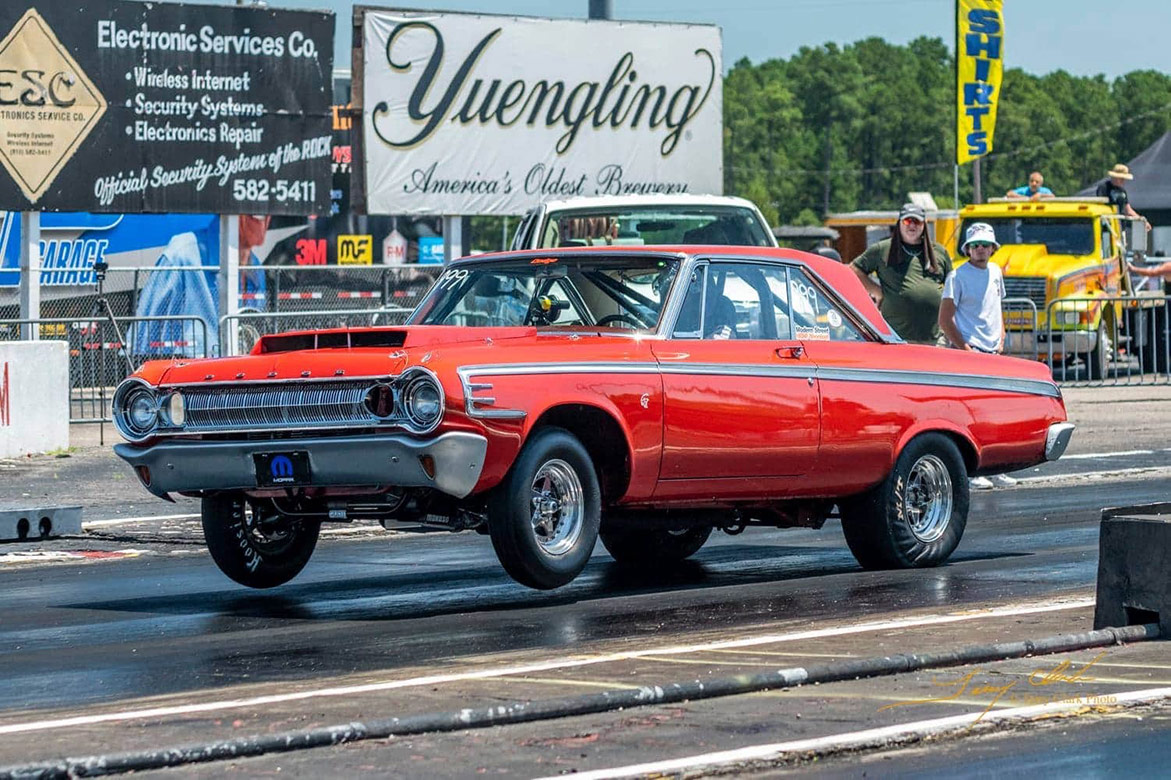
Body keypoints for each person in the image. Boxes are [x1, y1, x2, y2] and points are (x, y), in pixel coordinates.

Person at [939, 222, 1016, 489]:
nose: (980, 249)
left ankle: (997, 466)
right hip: (970, 352)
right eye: (975, 245)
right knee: (972, 415)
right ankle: (974, 471)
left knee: (996, 414)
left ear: (993, 248)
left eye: (985, 245)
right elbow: (945, 320)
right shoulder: (957, 277)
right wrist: (965, 348)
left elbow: (997, 307)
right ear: (967, 249)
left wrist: (1002, 337)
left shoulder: (995, 272)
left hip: (993, 352)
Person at [850, 203, 952, 344]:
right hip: (896, 339)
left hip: (935, 340)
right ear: (899, 224)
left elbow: (952, 287)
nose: (912, 225)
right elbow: (854, 270)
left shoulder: (939, 252)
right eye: (907, 221)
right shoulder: (882, 249)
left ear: (924, 224)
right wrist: (878, 291)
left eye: (916, 221)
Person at [1096, 164, 1151, 232]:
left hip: (1121, 227)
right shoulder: (1103, 187)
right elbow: (1101, 206)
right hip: (1107, 227)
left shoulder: (1122, 191)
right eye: (1121, 178)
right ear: (1114, 177)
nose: (1123, 181)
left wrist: (1142, 221)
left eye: (1124, 179)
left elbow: (1128, 210)